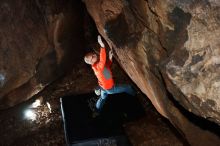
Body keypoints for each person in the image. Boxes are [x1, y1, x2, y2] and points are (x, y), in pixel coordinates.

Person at [84, 35, 136, 111]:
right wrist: (102, 46)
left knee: (103, 97)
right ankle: (134, 95)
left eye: (93, 54)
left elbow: (106, 68)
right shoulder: (97, 68)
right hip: (110, 88)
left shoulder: (97, 65)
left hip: (103, 87)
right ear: (91, 61)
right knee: (127, 87)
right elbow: (102, 62)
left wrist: (110, 58)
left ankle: (97, 108)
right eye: (93, 56)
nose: (95, 54)